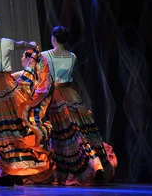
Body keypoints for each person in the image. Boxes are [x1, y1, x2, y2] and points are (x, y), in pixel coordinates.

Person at [0, 11, 53, 186]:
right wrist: (31, 46)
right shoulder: (5, 42)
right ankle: (12, 168)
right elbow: (22, 45)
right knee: (13, 126)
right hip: (6, 86)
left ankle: (4, 170)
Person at [42, 26, 117, 185]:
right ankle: (95, 164)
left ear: (54, 38)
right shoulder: (72, 56)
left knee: (64, 136)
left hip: (55, 97)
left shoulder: (45, 56)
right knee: (78, 133)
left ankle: (77, 170)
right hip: (71, 95)